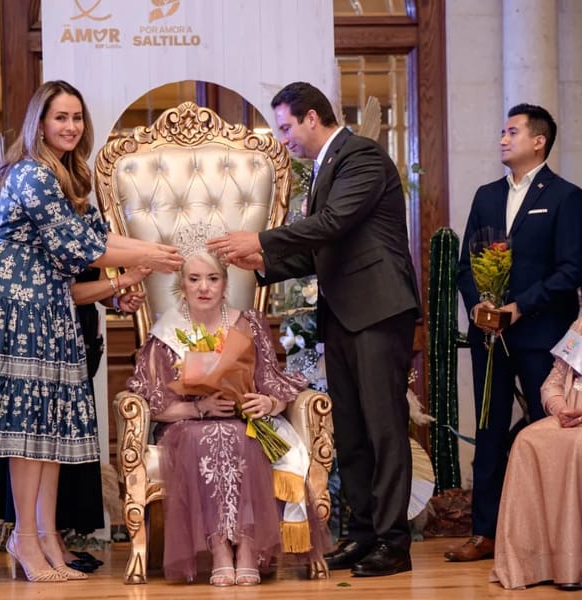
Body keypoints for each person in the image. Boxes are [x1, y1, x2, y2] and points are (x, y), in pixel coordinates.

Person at [208, 81, 420, 577]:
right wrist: (258, 261)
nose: (283, 138)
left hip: (378, 309)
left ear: (311, 117)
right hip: (344, 313)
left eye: (285, 127)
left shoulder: (362, 157)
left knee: (384, 430)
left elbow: (333, 222)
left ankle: (394, 543)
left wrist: (259, 237)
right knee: (352, 432)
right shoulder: (326, 167)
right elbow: (315, 250)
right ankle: (362, 534)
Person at [0, 80, 182, 583]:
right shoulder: (32, 174)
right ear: (39, 123)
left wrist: (129, 270)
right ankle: (26, 539)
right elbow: (79, 248)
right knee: (28, 431)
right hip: (18, 310)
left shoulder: (64, 174)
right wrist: (150, 253)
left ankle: (47, 536)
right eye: (60, 117)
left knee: (49, 428)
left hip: (50, 306)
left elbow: (92, 239)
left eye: (76, 118)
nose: (70, 126)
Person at [128, 230, 329, 586]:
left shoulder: (248, 323)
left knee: (240, 436)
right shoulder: (166, 332)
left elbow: (273, 384)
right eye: (194, 279)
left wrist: (267, 402)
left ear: (224, 283)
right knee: (208, 436)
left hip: (244, 422)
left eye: (213, 278)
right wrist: (200, 407)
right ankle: (220, 546)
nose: (203, 287)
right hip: (186, 424)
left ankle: (247, 546)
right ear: (182, 284)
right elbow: (154, 403)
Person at [449, 104, 582, 562]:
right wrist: (480, 306)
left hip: (540, 333)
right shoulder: (486, 195)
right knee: (488, 428)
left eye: (512, 132)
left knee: (548, 427)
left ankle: (549, 534)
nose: (503, 139)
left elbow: (571, 270)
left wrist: (519, 307)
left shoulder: (566, 197)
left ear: (539, 140)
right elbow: (465, 264)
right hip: (490, 337)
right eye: (502, 132)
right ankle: (484, 533)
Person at [0, 265, 149, 572]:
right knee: (43, 438)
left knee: (68, 442)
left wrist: (115, 300)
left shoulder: (89, 220)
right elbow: (66, 291)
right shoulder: (55, 226)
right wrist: (126, 279)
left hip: (79, 336)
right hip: (45, 331)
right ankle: (35, 538)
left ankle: (54, 538)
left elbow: (96, 283)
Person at [489, 306, 582, 591]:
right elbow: (551, 383)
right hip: (570, 418)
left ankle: (573, 563)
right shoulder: (580, 326)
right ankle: (535, 562)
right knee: (527, 440)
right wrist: (561, 409)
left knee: (577, 447)